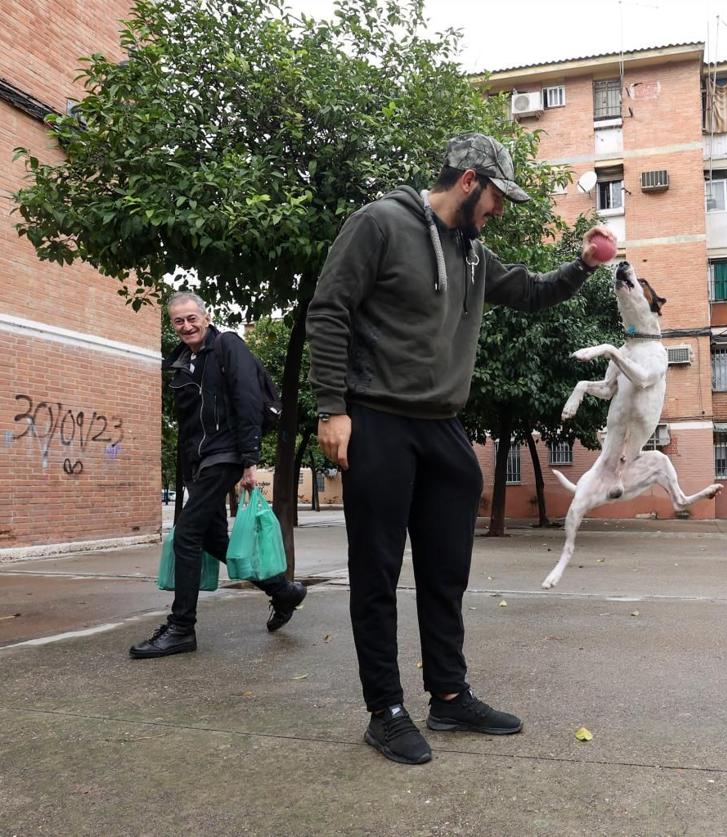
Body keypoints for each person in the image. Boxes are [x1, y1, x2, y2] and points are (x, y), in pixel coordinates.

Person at [307, 133, 616, 765]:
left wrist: (582, 266)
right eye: (499, 197)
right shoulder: (381, 224)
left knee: (447, 570)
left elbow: (529, 292)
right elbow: (329, 310)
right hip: (377, 419)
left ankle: (447, 694)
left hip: (443, 425)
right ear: (471, 180)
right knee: (377, 572)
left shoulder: (472, 253)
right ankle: (384, 710)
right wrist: (331, 409)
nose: (501, 210)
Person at [131, 292, 307, 659]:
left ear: (206, 317)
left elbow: (246, 401)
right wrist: (185, 473)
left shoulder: (227, 346)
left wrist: (249, 460)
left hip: (226, 453)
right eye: (178, 321)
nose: (186, 326)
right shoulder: (180, 362)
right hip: (201, 463)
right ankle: (282, 591)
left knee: (187, 534)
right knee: (212, 539)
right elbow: (187, 426)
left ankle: (181, 628)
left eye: (192, 318)